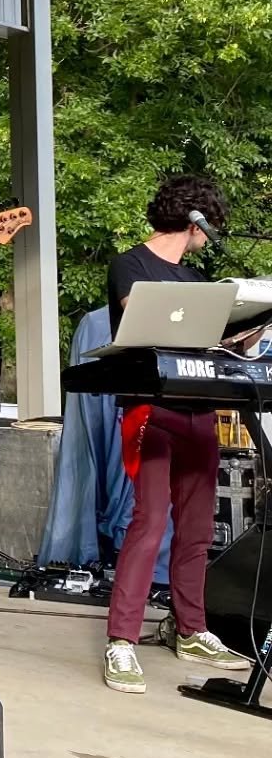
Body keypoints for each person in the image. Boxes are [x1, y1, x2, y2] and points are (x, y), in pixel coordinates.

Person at [102, 175, 252, 693]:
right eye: (211, 226)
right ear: (196, 221)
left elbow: (213, 342)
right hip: (152, 408)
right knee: (148, 523)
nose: (212, 237)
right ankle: (121, 641)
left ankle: (192, 628)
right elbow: (139, 321)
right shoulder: (130, 265)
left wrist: (244, 329)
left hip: (200, 409)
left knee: (196, 529)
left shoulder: (196, 280)